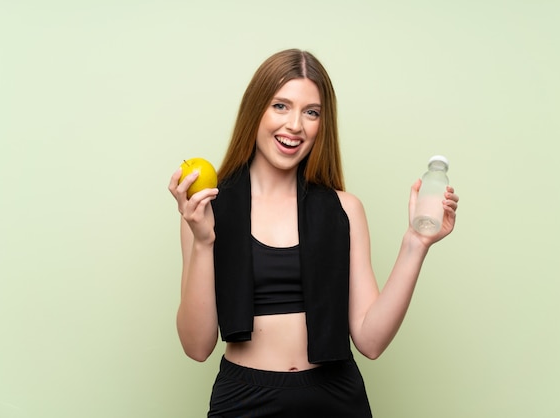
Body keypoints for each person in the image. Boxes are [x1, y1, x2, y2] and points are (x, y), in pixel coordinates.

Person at [168, 48, 459, 418]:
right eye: (280, 106)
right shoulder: (205, 208)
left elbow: (370, 341)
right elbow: (196, 346)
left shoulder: (345, 209)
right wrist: (205, 242)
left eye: (311, 112)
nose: (295, 126)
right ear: (255, 110)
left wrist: (416, 244)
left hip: (336, 398)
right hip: (244, 400)